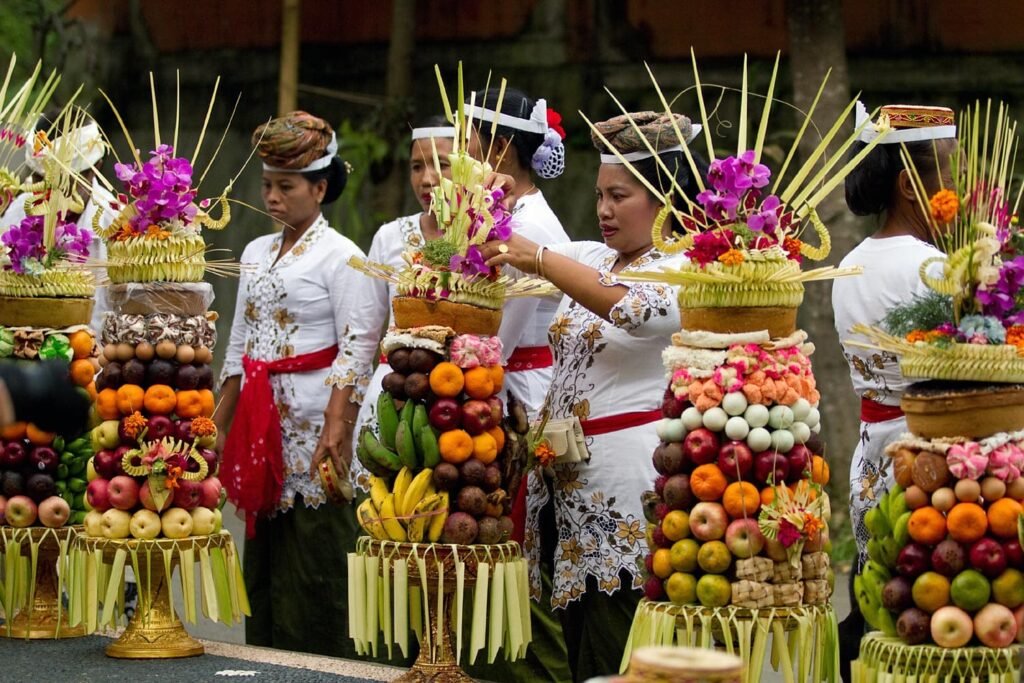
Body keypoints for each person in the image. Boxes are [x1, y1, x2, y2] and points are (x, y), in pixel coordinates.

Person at [481, 111, 706, 682]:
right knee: (578, 641)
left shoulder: (688, 270)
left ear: (665, 200)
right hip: (562, 480)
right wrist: (480, 198)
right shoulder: (593, 258)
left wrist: (535, 256)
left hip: (627, 484)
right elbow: (512, 243)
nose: (604, 209)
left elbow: (629, 309)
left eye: (619, 196)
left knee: (619, 640)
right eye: (599, 195)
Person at [213, 111, 366, 656]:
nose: (272, 197)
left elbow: (358, 347)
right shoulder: (254, 252)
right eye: (266, 185)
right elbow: (238, 344)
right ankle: (263, 659)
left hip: (313, 423)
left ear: (320, 188)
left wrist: (338, 426)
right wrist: (218, 423)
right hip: (261, 417)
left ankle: (325, 666)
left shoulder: (343, 255)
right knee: (265, 559)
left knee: (318, 560)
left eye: (286, 186)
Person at [832, 104, 956, 682]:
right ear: (912, 186)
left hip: (869, 460)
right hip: (933, 463)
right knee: (930, 615)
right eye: (950, 174)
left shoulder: (849, 266)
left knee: (880, 601)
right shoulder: (936, 268)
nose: (958, 190)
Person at [2, 117, 115, 331]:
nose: (50, 191)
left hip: (94, 358)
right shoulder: (18, 210)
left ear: (95, 168)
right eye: (40, 178)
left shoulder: (115, 221)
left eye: (64, 180)